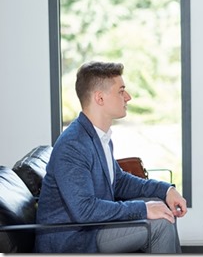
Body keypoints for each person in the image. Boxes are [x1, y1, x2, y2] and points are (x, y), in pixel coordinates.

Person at [35, 61, 187, 253]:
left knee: (163, 210)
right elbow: (84, 210)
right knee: (160, 224)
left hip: (93, 228)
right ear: (99, 98)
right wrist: (144, 208)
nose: (128, 97)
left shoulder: (99, 136)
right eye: (121, 91)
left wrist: (165, 190)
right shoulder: (73, 144)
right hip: (74, 238)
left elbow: (119, 182)